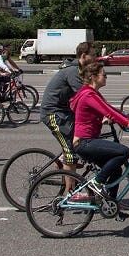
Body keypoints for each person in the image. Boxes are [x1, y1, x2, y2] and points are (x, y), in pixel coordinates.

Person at [70, 61, 129, 218]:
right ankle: (97, 183)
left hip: (87, 141)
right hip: (84, 142)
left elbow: (110, 110)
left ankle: (111, 205)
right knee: (123, 152)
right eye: (104, 75)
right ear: (93, 77)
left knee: (116, 169)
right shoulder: (88, 95)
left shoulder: (92, 93)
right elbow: (109, 112)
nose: (106, 77)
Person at [39, 41, 98, 174]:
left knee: (80, 136)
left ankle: (61, 160)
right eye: (93, 55)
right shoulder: (73, 71)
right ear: (83, 55)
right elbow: (86, 94)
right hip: (53, 113)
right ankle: (69, 193)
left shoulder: (80, 70)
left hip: (63, 110)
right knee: (71, 155)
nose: (95, 58)